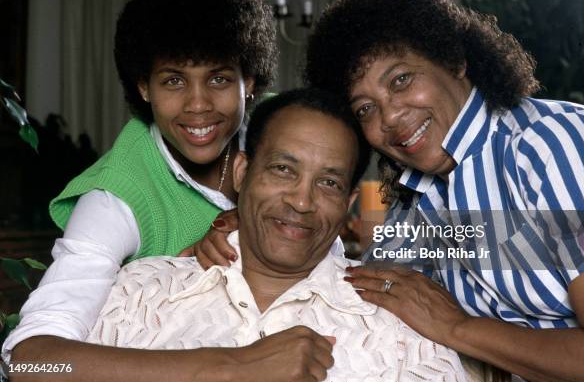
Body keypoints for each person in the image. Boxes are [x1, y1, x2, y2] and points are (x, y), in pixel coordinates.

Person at [198, 0, 584, 381]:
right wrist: (250, 230)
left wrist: (457, 328)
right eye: (365, 109)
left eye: (401, 80)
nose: (390, 118)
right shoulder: (416, 195)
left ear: (454, 60)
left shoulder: (551, 146)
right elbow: (369, 289)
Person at [16, 88, 468, 382]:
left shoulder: (401, 330)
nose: (302, 201)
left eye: (327, 183)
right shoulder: (139, 293)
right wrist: (226, 366)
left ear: (349, 200)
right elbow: (30, 363)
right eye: (283, 169)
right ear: (243, 171)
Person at [2, 0, 276, 367]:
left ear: (248, 81)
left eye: (218, 79)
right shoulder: (115, 196)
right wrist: (227, 370)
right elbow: (30, 362)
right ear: (143, 86)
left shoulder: (285, 133)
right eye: (174, 81)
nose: (197, 105)